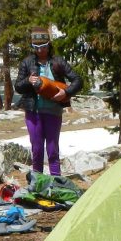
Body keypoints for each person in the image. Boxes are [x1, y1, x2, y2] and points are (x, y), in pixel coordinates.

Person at [14, 27, 82, 176]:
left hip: (53, 112)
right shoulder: (27, 63)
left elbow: (78, 80)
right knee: (37, 149)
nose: (40, 50)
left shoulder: (58, 61)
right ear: (32, 46)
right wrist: (28, 80)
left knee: (52, 149)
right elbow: (18, 87)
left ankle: (56, 182)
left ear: (48, 45)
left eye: (43, 47)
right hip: (33, 113)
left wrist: (66, 92)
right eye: (36, 47)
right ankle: (37, 183)